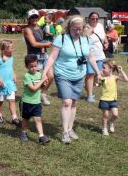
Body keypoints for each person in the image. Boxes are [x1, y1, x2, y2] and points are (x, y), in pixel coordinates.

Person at [42, 16, 101, 144]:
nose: (78, 32)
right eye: (75, 29)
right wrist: (45, 72)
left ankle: (70, 129)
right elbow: (52, 57)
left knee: (74, 102)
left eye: (80, 29)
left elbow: (91, 57)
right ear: (69, 27)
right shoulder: (61, 39)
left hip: (79, 75)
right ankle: (64, 132)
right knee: (67, 102)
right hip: (63, 74)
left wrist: (98, 72)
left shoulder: (86, 39)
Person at [23, 9, 53, 105]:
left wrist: (45, 44)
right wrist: (46, 44)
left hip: (44, 55)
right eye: (32, 17)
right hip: (34, 56)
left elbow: (42, 40)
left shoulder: (40, 28)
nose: (34, 18)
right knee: (38, 78)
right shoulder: (27, 29)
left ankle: (42, 94)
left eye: (36, 16)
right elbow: (34, 44)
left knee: (51, 76)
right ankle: (36, 97)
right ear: (29, 18)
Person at [20, 54, 51, 144]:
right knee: (25, 119)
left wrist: (44, 84)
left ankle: (41, 136)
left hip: (37, 102)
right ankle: (23, 132)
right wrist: (42, 81)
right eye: (31, 67)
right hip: (27, 102)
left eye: (35, 66)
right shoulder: (27, 76)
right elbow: (33, 88)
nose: (34, 68)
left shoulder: (39, 74)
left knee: (38, 119)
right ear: (26, 67)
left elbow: (40, 87)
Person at [0, 39, 19, 125]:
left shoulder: (11, 57)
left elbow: (11, 68)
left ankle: (14, 117)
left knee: (12, 100)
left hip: (10, 83)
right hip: (1, 84)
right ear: (3, 49)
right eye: (11, 48)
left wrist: (14, 75)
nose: (13, 49)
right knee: (0, 100)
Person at [98, 60, 128, 136]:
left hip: (113, 100)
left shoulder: (115, 77)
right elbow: (97, 84)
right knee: (105, 115)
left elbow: (126, 79)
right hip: (104, 100)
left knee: (115, 114)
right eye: (102, 68)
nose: (102, 69)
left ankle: (111, 122)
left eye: (104, 68)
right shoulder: (103, 78)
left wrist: (121, 71)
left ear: (110, 69)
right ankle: (104, 129)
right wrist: (98, 78)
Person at [85, 12, 109, 103]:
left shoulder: (100, 26)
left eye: (96, 18)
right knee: (90, 74)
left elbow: (104, 36)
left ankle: (88, 86)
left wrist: (106, 42)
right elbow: (83, 39)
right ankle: (90, 96)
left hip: (100, 54)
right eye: (92, 18)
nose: (94, 20)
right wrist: (88, 33)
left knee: (99, 74)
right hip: (90, 55)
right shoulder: (85, 27)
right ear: (89, 19)